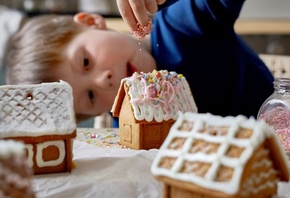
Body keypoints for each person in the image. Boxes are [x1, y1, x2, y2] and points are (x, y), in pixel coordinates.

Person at [6, 0, 274, 125]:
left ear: (91, 23)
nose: (103, 81)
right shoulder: (127, 125)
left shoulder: (181, 25)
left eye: (86, 62)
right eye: (90, 96)